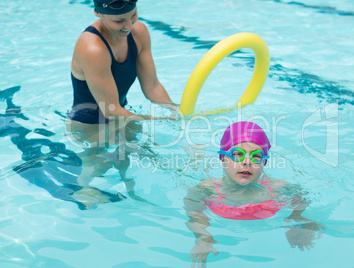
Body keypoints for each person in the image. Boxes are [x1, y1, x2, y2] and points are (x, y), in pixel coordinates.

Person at [65, 0, 176, 206]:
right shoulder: (92, 48)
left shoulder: (138, 32)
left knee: (133, 157)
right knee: (97, 164)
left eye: (132, 15)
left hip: (121, 113)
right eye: (119, 20)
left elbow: (152, 87)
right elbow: (111, 110)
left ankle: (133, 196)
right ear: (98, 13)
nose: (128, 25)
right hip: (89, 123)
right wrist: (159, 119)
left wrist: (175, 110)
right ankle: (82, 191)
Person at [184, 121, 325, 267]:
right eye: (237, 154)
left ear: (264, 162)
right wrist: (203, 237)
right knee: (196, 166)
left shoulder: (277, 188)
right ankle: (196, 155)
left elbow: (303, 197)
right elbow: (193, 210)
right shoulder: (207, 189)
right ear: (223, 158)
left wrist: (296, 217)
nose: (247, 162)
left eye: (256, 156)